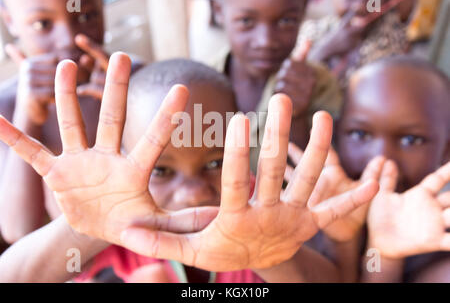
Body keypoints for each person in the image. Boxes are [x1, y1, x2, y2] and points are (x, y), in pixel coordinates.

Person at [0, 53, 380, 282]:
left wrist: (277, 261)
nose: (194, 193)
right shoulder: (118, 225)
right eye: (161, 171)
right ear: (122, 161)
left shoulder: (255, 207)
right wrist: (81, 229)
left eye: (215, 162)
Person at [0, 0, 142, 243]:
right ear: (9, 20)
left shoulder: (136, 79)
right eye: (43, 24)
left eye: (86, 16)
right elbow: (19, 230)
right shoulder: (7, 108)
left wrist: (132, 108)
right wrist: (28, 119)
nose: (69, 38)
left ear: (102, 2)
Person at [336, 57, 450, 282]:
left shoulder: (439, 256)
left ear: (446, 151)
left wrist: (382, 259)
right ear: (335, 134)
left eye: (411, 139)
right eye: (360, 134)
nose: (381, 159)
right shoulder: (307, 221)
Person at [210, 0, 343, 172]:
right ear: (219, 10)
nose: (266, 41)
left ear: (304, 7)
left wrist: (295, 116)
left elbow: (326, 178)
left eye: (286, 21)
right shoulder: (199, 84)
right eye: (247, 21)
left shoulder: (320, 83)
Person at [298, 0, 408, 85]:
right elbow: (292, 77)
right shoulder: (312, 31)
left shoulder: (392, 42)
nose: (360, 7)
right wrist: (326, 49)